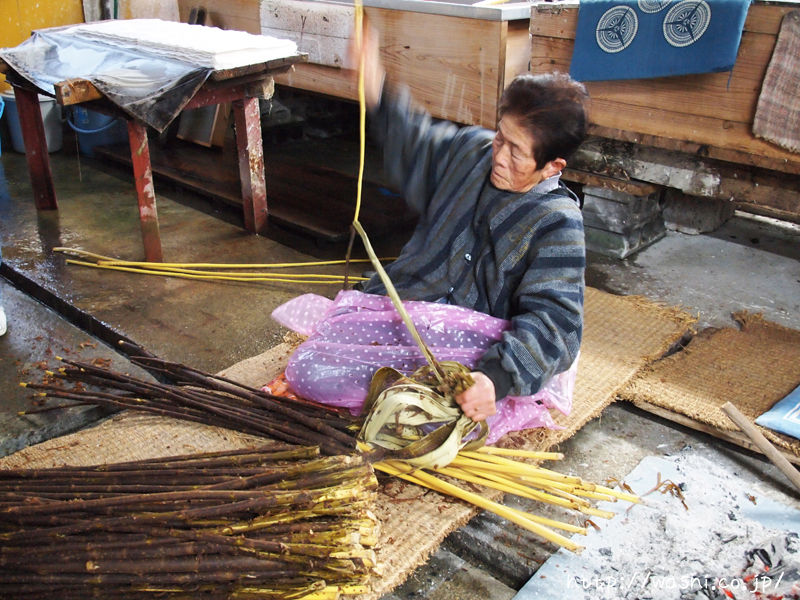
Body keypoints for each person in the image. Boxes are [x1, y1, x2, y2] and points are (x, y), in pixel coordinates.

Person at [351, 26, 589, 425]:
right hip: (409, 304)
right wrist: (376, 85)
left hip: (473, 351)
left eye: (517, 152)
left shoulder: (558, 223)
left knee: (419, 416)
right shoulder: (472, 152)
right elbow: (416, 141)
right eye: (500, 137)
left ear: (553, 166)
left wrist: (495, 378)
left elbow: (557, 324)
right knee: (319, 374)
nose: (499, 156)